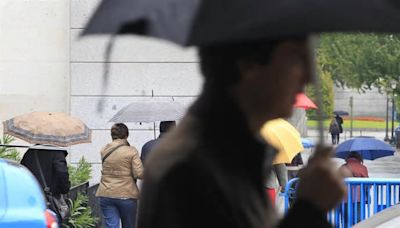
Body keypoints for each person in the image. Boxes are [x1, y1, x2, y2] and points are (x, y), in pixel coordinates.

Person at [137, 38, 345, 228]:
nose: (308, 77)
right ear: (248, 66)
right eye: (295, 59)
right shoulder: (194, 168)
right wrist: (309, 210)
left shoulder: (230, 153)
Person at [96, 123, 144, 228]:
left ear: (112, 135)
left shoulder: (104, 150)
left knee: (111, 226)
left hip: (106, 192)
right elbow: (139, 173)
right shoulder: (131, 151)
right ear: (126, 135)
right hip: (126, 194)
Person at [21, 146, 70, 222]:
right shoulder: (56, 152)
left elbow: (22, 174)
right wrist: (64, 189)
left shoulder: (29, 153)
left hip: (31, 202)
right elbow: (62, 173)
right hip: (49, 202)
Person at [339, 152, 369, 226]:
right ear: (359, 158)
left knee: (345, 220)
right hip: (358, 198)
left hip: (344, 198)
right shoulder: (363, 168)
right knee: (358, 220)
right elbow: (368, 184)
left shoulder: (342, 167)